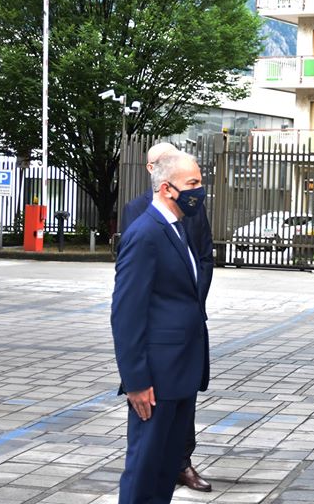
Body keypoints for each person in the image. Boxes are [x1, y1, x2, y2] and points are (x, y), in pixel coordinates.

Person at [111, 151, 211, 503]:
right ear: (167, 189)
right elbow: (126, 314)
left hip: (180, 372)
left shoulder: (177, 228)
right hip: (156, 378)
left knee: (165, 467)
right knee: (145, 467)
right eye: (193, 184)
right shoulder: (146, 234)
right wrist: (136, 381)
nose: (201, 191)